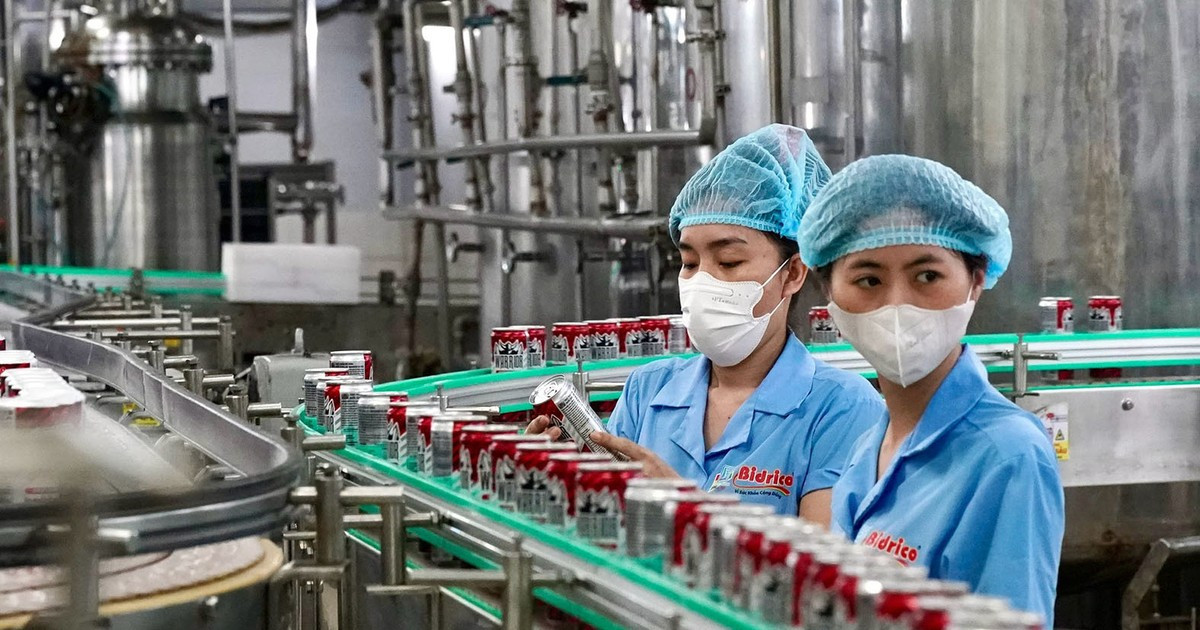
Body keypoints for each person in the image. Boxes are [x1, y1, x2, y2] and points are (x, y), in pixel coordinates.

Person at [527, 124, 884, 520]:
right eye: (690, 263)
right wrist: (556, 484)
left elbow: (819, 570)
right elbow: (606, 531)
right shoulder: (649, 392)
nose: (702, 282)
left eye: (729, 262)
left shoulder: (842, 408)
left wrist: (684, 509)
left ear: (793, 273)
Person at [796, 154, 1064, 621]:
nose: (898, 304)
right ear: (831, 296)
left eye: (927, 276)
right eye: (868, 279)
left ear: (975, 281)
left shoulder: (1007, 455)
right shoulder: (869, 448)